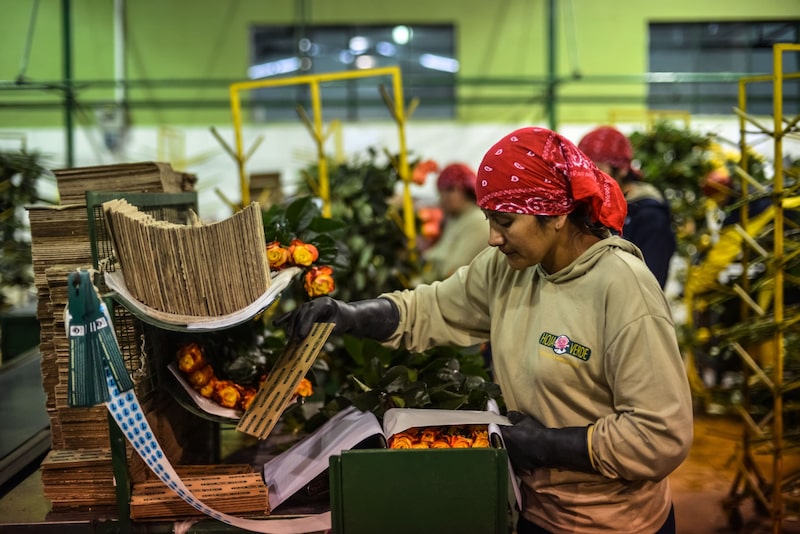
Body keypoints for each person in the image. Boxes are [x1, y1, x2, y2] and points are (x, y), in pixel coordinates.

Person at [277, 127, 693, 533]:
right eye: (489, 220)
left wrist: (546, 444)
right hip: (533, 509)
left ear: (559, 213)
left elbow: (659, 436)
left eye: (506, 221)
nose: (493, 238)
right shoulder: (508, 270)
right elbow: (432, 308)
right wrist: (350, 316)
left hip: (612, 523)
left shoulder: (622, 287)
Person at [578, 126, 676, 288]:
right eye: (584, 170)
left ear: (622, 169)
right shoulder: (588, 210)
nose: (590, 177)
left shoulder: (650, 217)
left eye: (598, 168)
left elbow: (651, 284)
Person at [422, 163, 489, 281]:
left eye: (450, 190)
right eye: (441, 192)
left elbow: (452, 272)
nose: (443, 197)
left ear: (465, 189)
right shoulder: (454, 219)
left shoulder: (477, 220)